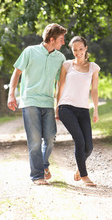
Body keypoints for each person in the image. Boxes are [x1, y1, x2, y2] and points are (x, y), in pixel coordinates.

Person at [8, 23, 67, 185]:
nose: (63, 43)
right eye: (61, 39)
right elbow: (17, 72)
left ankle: (44, 165)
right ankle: (37, 176)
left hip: (47, 102)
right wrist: (11, 94)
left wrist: (60, 104)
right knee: (34, 140)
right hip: (30, 101)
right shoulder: (30, 51)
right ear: (52, 39)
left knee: (50, 137)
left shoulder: (60, 58)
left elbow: (61, 83)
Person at [56, 36, 100, 186]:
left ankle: (79, 169)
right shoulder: (67, 65)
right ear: (72, 50)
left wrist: (95, 110)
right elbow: (60, 86)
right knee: (79, 141)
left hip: (83, 109)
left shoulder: (93, 67)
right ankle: (84, 176)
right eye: (75, 50)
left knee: (89, 146)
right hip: (66, 107)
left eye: (81, 49)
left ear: (86, 48)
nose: (78, 52)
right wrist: (57, 107)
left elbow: (94, 90)